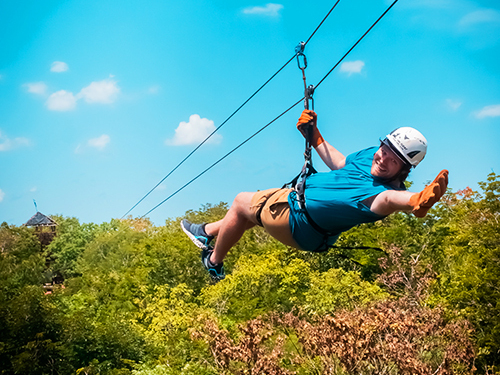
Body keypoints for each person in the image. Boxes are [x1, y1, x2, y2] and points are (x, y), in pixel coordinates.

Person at [181, 110, 449, 281]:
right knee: (250, 214)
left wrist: (416, 201)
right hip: (298, 208)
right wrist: (314, 135)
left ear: (404, 169)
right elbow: (340, 163)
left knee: (241, 202)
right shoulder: (371, 157)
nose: (383, 158)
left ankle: (213, 261)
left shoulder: (383, 194)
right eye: (385, 149)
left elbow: (393, 201)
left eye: (394, 159)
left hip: (298, 221)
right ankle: (205, 231)